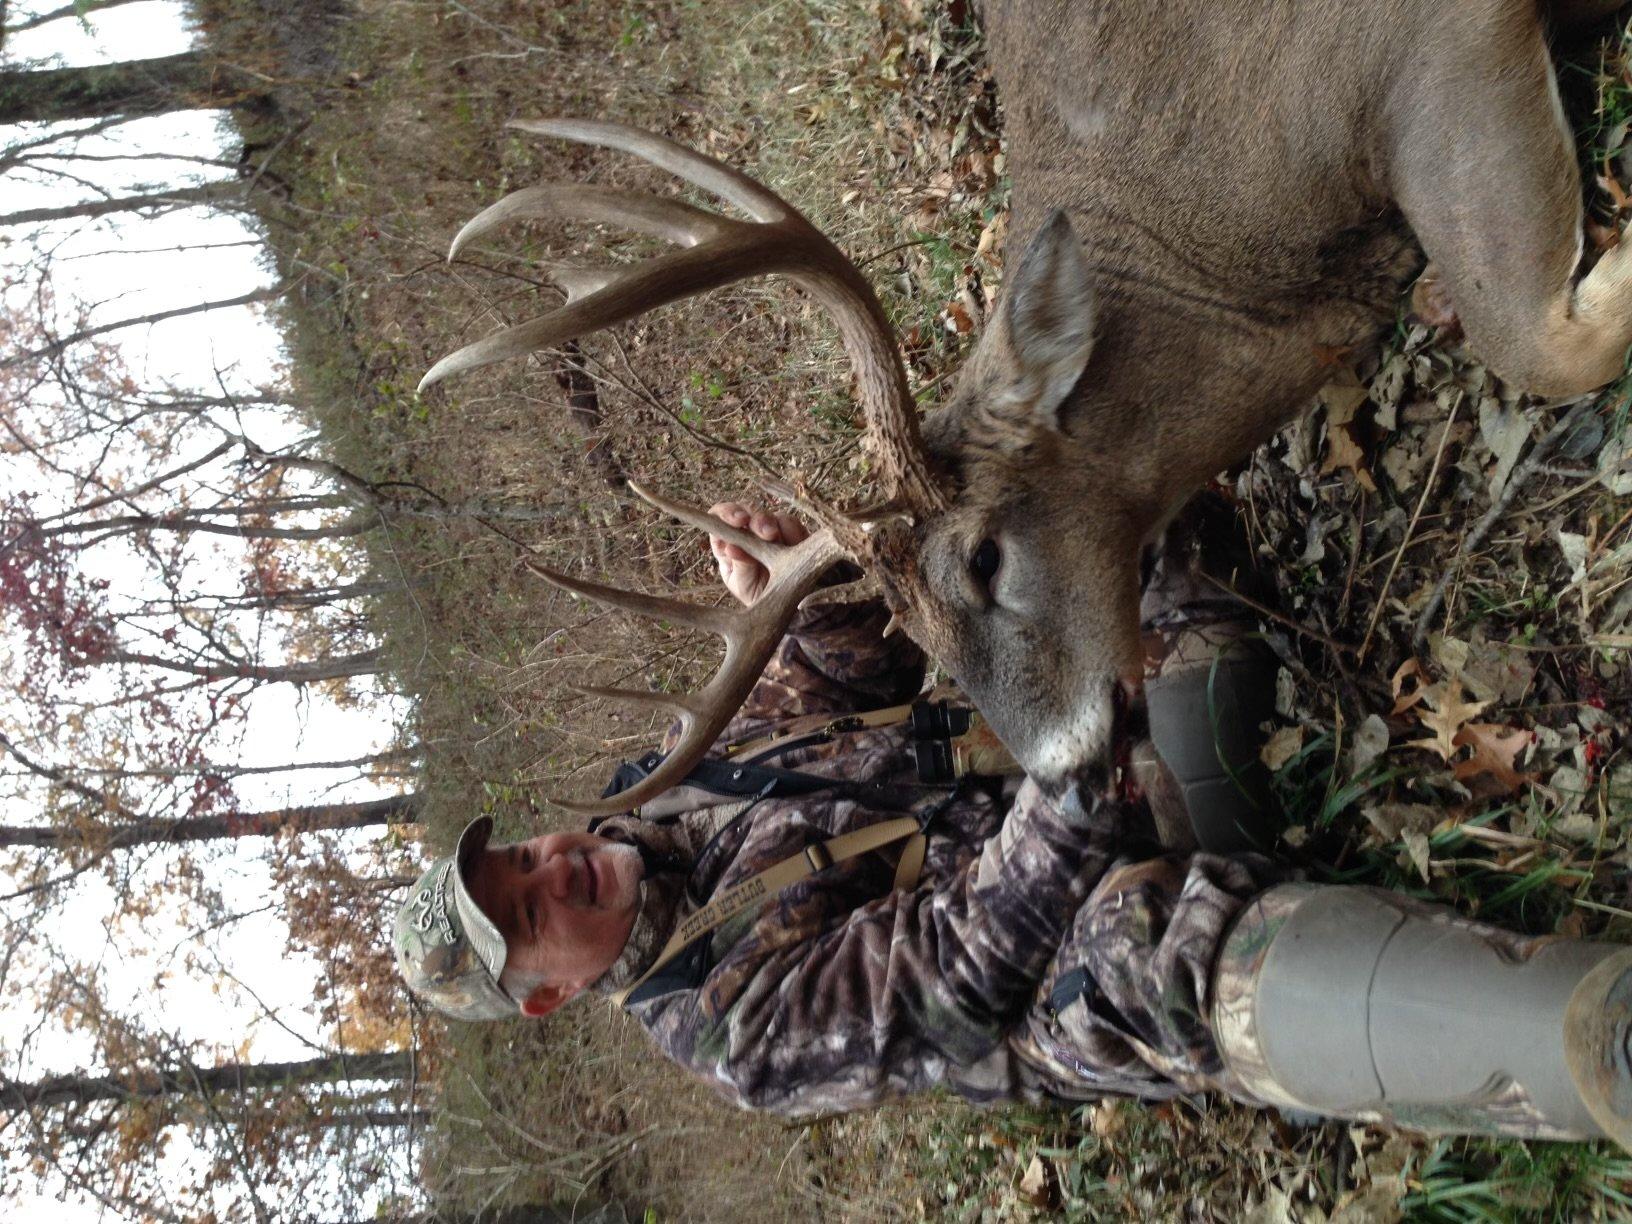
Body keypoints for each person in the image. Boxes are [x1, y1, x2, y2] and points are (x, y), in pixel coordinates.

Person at [394, 501, 1632, 1147]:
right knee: (1149, 956)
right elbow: (970, 960)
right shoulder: (733, 1037)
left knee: (1104, 535)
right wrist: (1072, 735)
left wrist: (802, 595)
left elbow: (845, 689)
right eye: (526, 915)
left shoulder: (668, 785)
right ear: (549, 995)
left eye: (518, 856)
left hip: (1123, 780)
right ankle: (1581, 1039)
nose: (550, 870)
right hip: (1081, 948)